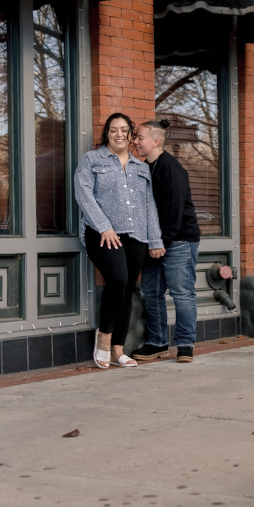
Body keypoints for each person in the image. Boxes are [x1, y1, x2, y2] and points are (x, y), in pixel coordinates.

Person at [74, 112, 165, 368]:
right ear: (107, 133)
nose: (119, 134)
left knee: (127, 290)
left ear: (130, 134)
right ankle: (103, 337)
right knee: (118, 279)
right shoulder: (92, 159)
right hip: (101, 234)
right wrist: (104, 227)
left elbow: (149, 205)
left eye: (124, 130)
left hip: (136, 235)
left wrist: (155, 240)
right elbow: (83, 194)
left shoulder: (141, 167)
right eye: (113, 130)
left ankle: (118, 350)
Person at [131, 119, 201, 363]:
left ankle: (185, 345)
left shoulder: (170, 168)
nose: (135, 141)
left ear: (156, 141)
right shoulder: (144, 168)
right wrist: (151, 243)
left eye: (139, 137)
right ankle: (157, 342)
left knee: (182, 293)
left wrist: (161, 243)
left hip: (178, 241)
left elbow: (173, 212)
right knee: (152, 292)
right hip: (154, 242)